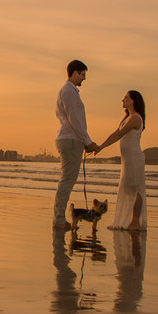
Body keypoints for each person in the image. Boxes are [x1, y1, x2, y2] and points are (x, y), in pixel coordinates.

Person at [53, 60, 100, 229]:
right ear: (74, 73)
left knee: (67, 180)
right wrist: (88, 141)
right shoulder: (69, 92)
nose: (84, 78)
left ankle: (58, 218)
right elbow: (75, 120)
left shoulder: (68, 91)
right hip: (71, 139)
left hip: (70, 138)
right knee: (67, 180)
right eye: (82, 74)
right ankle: (58, 219)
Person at [95, 90, 147, 230]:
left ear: (133, 101)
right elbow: (115, 133)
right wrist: (101, 146)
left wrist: (101, 147)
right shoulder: (126, 119)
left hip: (134, 159)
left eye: (126, 98)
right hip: (127, 160)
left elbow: (119, 134)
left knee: (135, 188)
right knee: (129, 188)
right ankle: (129, 220)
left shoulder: (136, 118)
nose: (123, 100)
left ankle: (135, 222)